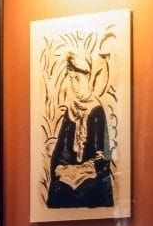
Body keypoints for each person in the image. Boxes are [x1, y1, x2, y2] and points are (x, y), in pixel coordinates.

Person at [46, 49, 114, 209]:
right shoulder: (70, 111)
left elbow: (103, 156)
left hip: (90, 176)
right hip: (70, 176)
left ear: (89, 79)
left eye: (78, 78)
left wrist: (85, 170)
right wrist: (62, 168)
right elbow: (60, 152)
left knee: (89, 189)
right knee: (58, 189)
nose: (74, 85)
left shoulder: (97, 111)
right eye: (71, 79)